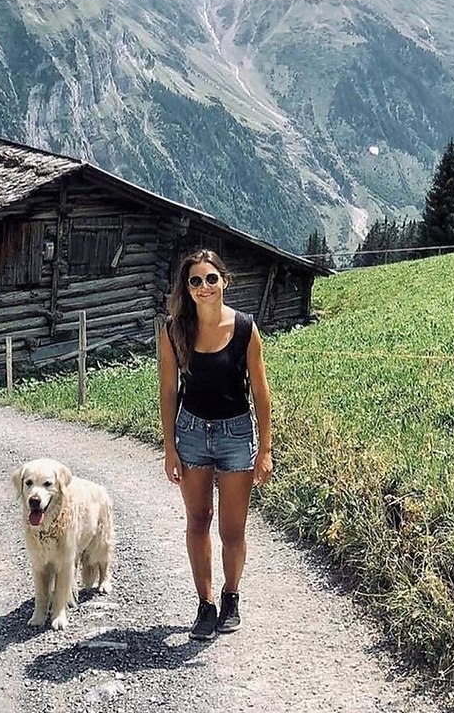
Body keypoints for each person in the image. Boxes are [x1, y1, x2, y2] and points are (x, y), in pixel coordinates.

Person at [159, 248, 273, 641]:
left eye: (211, 278)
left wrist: (266, 449)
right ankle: (205, 605)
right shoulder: (174, 330)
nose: (204, 287)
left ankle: (231, 596)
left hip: (237, 434)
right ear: (186, 288)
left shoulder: (244, 329)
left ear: (224, 280)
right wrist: (170, 446)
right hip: (190, 432)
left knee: (233, 529)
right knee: (197, 521)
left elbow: (260, 391)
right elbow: (168, 390)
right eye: (195, 281)